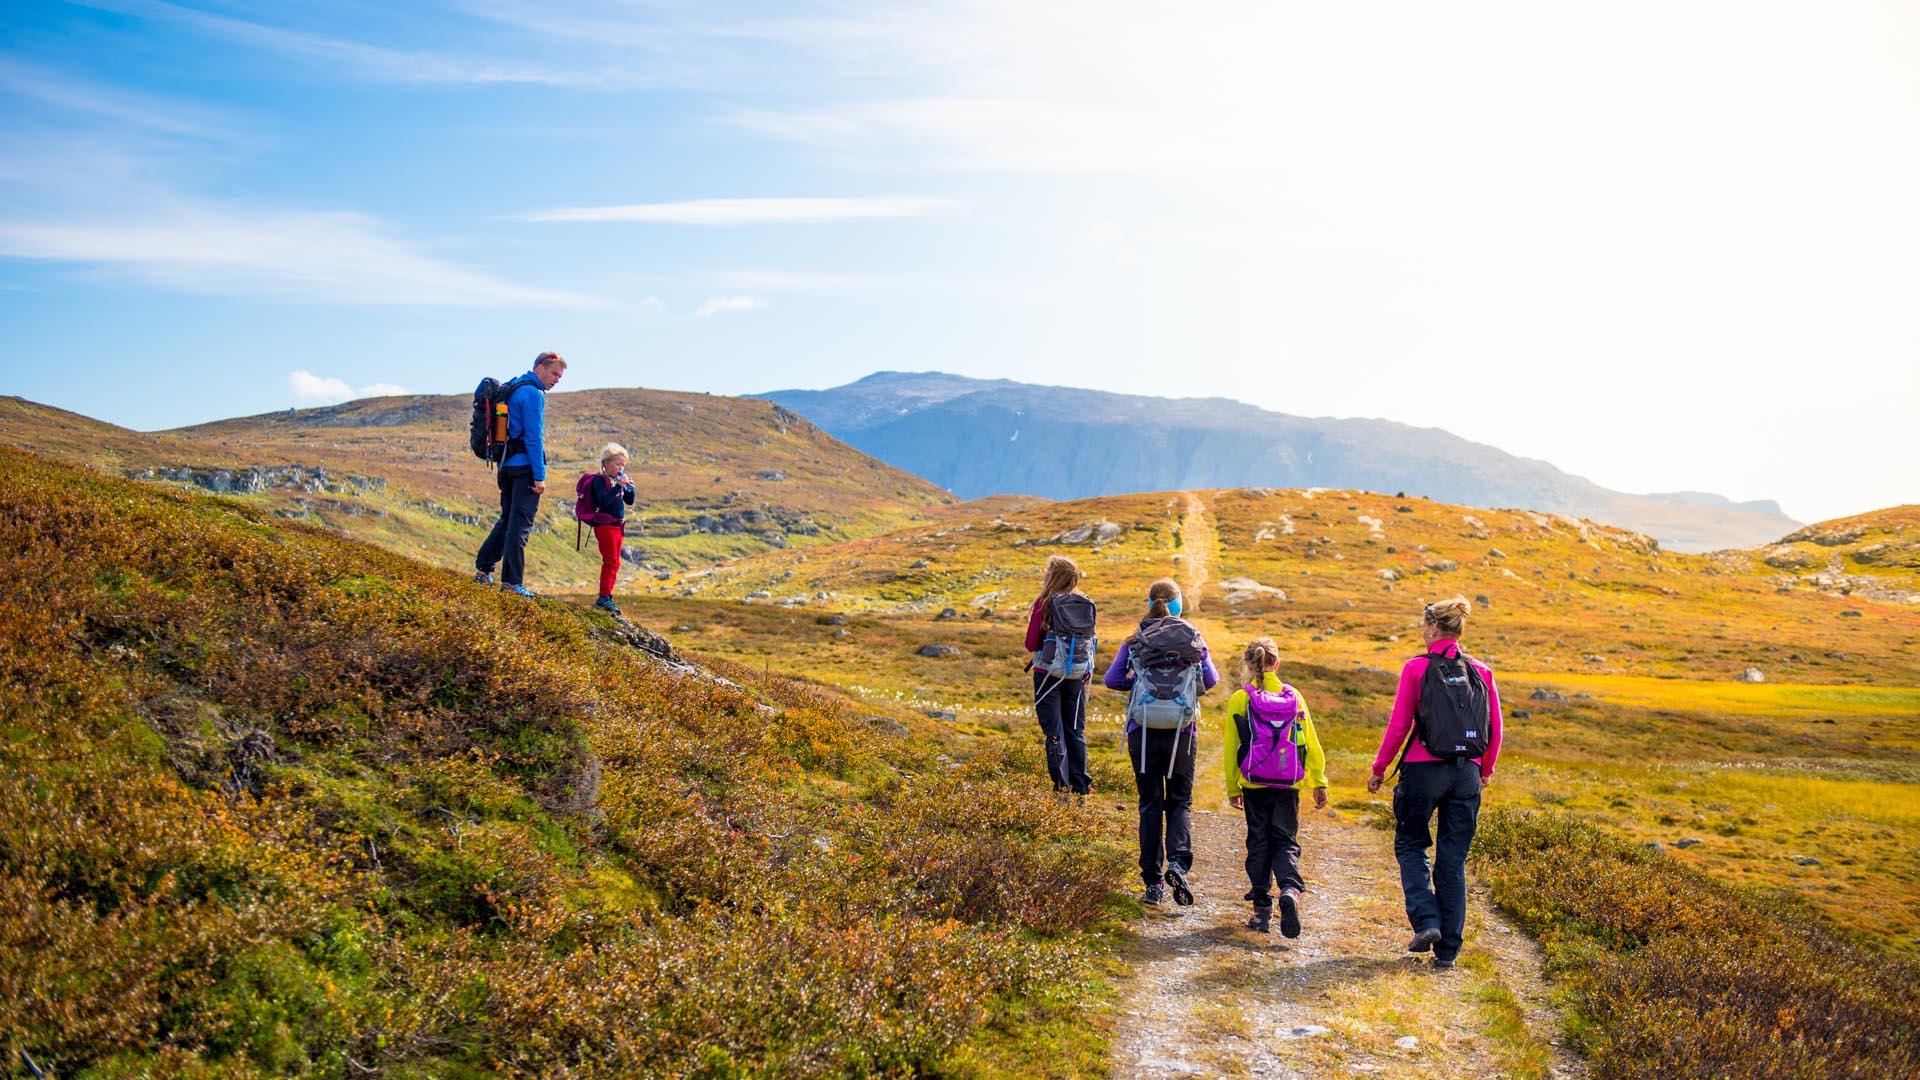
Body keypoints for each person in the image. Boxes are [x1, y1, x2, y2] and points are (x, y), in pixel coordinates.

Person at [1366, 596, 1504, 970]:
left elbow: (1399, 726)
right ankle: (1448, 953)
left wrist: (1379, 768)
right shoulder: (1482, 671)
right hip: (1466, 774)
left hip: (1422, 772)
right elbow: (1496, 730)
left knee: (1411, 845)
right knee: (1453, 859)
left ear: (1432, 628)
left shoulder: (1416, 668)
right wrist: (1485, 769)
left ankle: (1427, 921)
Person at [1104, 579, 1217, 906]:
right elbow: (1210, 681)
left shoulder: (1136, 639)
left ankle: (1153, 884)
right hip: (1182, 732)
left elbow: (1112, 680)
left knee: (1150, 804)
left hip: (1143, 731)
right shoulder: (1192, 639)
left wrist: (1138, 684)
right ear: (1178, 605)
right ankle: (1179, 864)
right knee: (1179, 801)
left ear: (1149, 601)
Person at [1223, 637, 1328, 936]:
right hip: (1288, 782)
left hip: (1253, 784)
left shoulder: (1241, 698)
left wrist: (1233, 786)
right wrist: (1319, 780)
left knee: (1258, 841)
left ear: (1247, 663)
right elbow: (1310, 740)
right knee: (1285, 840)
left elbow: (1232, 747)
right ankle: (1290, 890)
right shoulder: (1293, 695)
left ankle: (1261, 911)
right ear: (1276, 663)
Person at [475, 351, 565, 597]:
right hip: (525, 468)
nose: (557, 380)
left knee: (506, 520)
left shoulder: (513, 386)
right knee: (520, 525)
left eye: (560, 376)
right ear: (539, 368)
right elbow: (533, 437)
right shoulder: (533, 394)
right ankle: (512, 582)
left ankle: (483, 570)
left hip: (505, 467)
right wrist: (540, 475)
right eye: (554, 373)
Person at [1023, 555, 1093, 796]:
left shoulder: (1045, 603)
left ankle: (1062, 785)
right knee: (1075, 729)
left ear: (1052, 576)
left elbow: (1031, 644)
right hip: (1076, 675)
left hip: (1047, 675)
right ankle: (1081, 784)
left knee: (1054, 731)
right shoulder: (1084, 603)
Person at [584, 442, 636, 615]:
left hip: (617, 526)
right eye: (617, 464)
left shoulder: (616, 481)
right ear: (606, 463)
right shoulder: (600, 480)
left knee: (615, 562)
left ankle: (607, 596)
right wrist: (618, 487)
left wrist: (629, 489)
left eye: (622, 465)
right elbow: (603, 501)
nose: (620, 467)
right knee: (611, 561)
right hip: (605, 526)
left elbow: (629, 502)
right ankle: (604, 597)